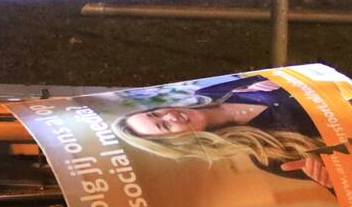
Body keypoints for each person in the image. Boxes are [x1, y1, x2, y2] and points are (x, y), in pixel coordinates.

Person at [113, 75, 335, 187]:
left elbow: (295, 73)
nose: (169, 115)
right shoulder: (265, 154)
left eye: (156, 113)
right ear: (177, 141)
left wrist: (277, 81)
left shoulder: (212, 89)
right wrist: (331, 178)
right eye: (164, 126)